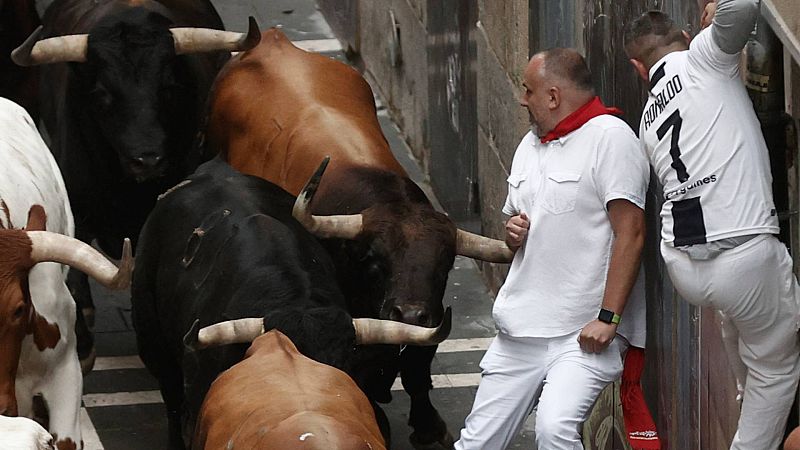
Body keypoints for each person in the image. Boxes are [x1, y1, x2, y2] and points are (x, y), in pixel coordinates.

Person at [624, 1, 800, 449]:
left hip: (685, 264)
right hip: (741, 253)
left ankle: (743, 390)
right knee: (776, 370)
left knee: (739, 321)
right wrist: (718, 8)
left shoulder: (646, 122)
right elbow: (744, 5)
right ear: (685, 36)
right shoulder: (702, 56)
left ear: (638, 68)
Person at [454, 48, 649, 450]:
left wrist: (608, 318)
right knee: (476, 444)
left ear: (554, 96)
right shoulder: (529, 144)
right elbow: (519, 222)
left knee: (554, 430)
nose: (522, 99)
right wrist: (513, 232)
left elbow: (631, 232)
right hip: (520, 327)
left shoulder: (611, 139)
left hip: (582, 334)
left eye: (528, 90)